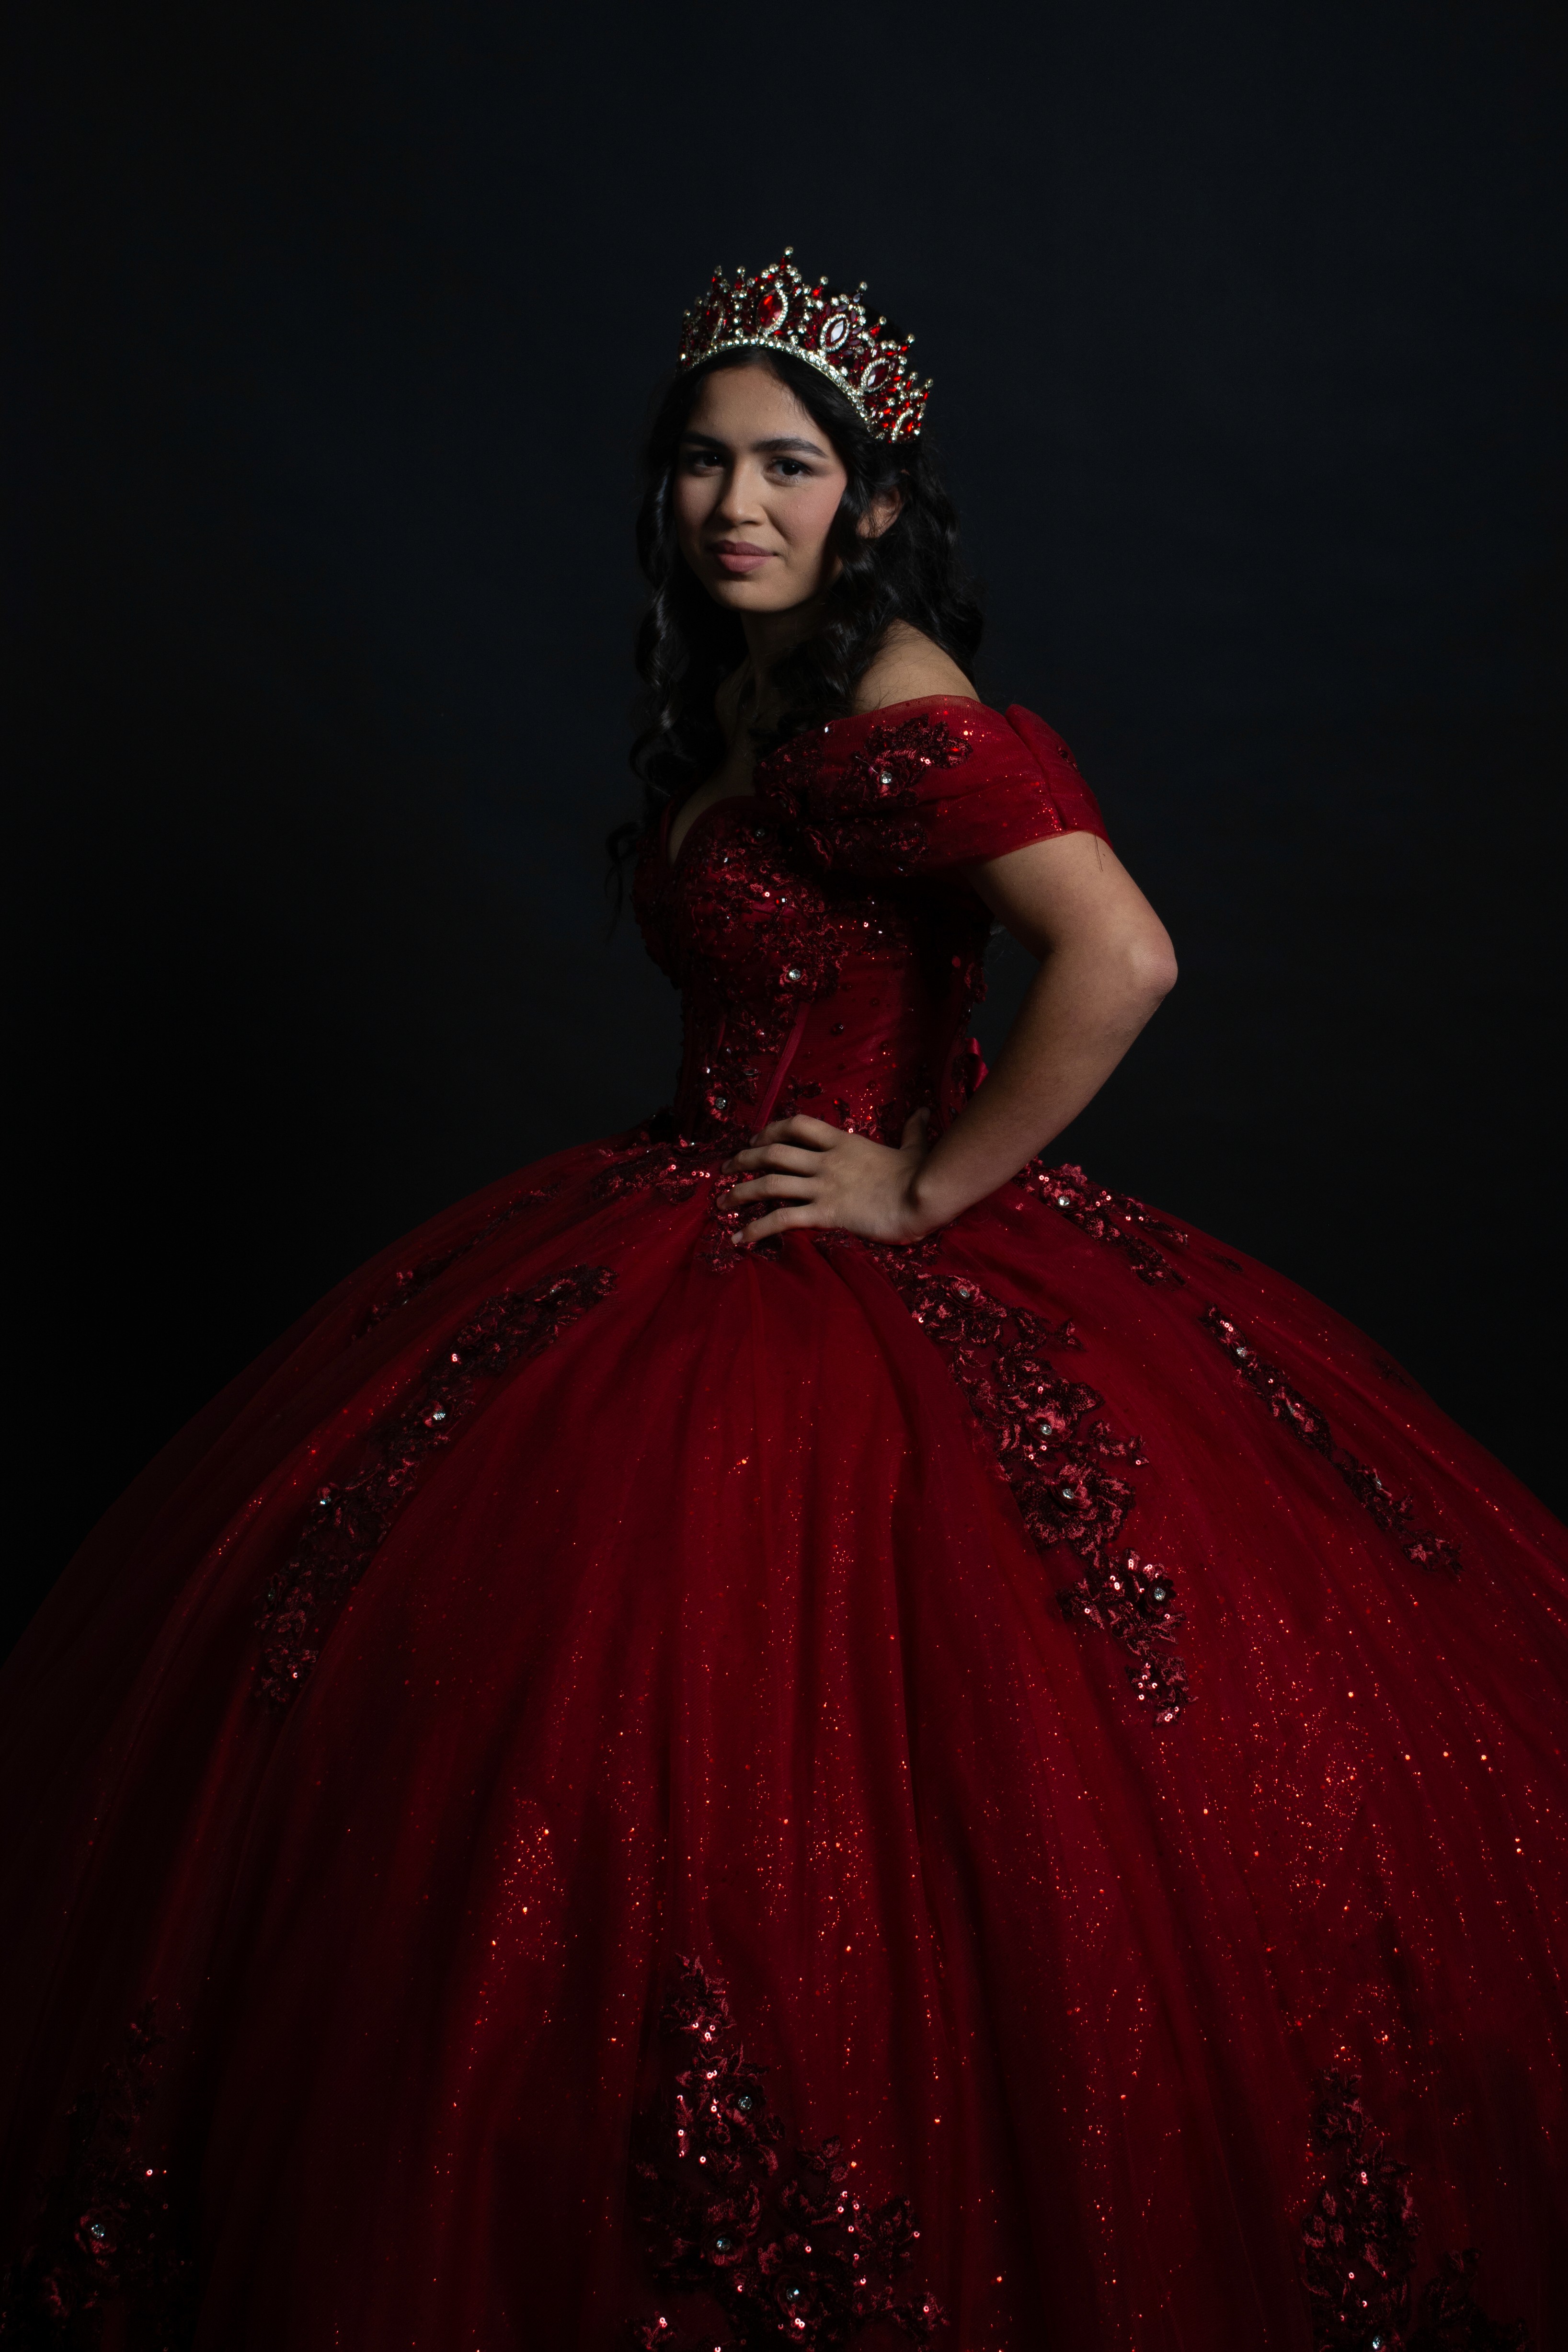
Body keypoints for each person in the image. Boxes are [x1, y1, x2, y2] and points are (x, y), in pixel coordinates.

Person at [1, 251, 1563, 2352]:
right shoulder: (754, 698)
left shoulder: (893, 697)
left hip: (844, 1248)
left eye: (789, 468)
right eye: (706, 466)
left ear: (877, 501)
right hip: (678, 1217)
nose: (739, 504)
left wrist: (920, 1184)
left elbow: (1124, 953)